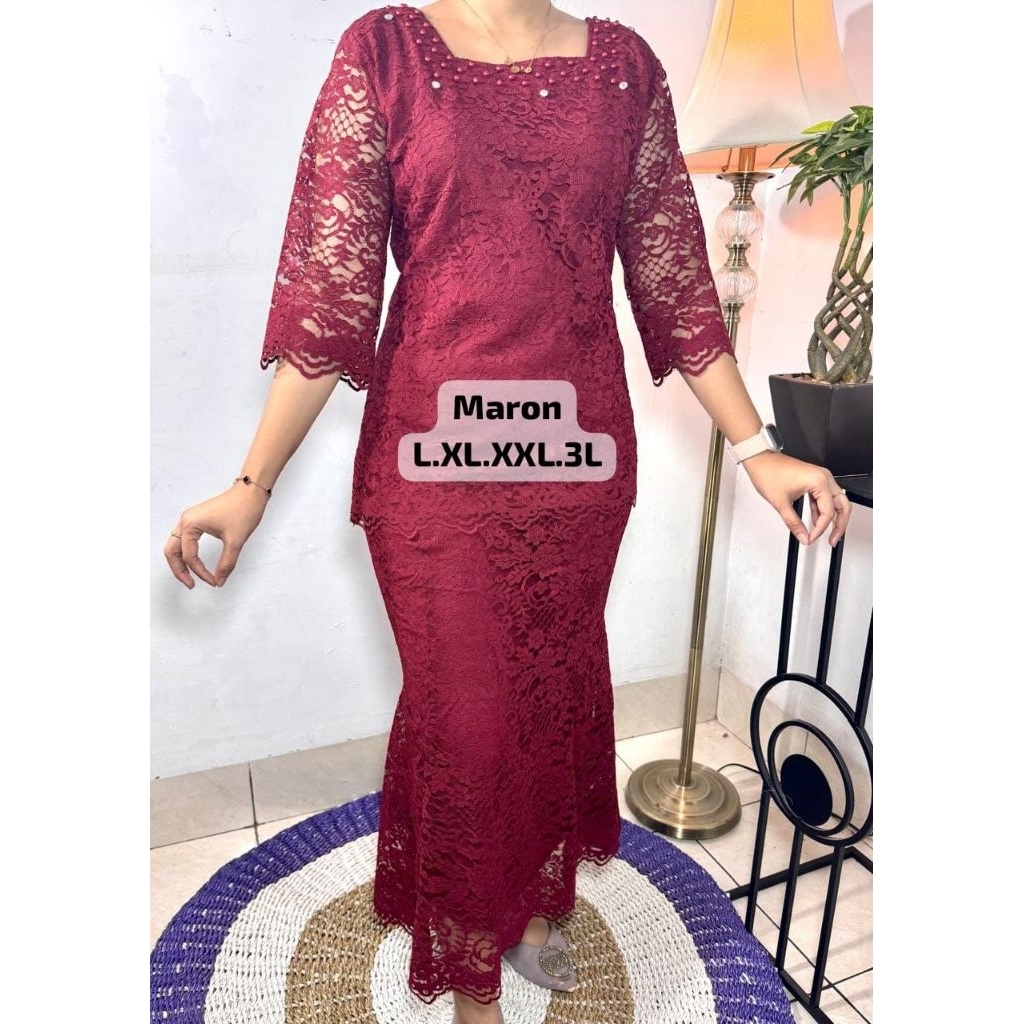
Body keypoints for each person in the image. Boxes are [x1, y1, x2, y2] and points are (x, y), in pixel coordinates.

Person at [162, 2, 851, 1022]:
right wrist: (251, 484)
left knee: (543, 697)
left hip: (574, 462)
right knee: (469, 723)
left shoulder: (624, 69)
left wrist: (757, 449)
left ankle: (525, 911)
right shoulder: (383, 54)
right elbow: (329, 294)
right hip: (432, 462)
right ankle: (472, 986)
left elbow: (673, 287)